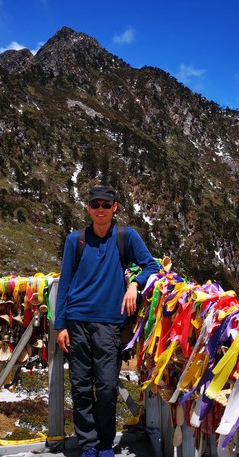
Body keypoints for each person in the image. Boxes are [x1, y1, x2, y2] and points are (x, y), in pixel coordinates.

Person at [54, 185, 160, 457]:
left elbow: (152, 266)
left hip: (109, 323)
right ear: (88, 208)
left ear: (115, 207)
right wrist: (60, 325)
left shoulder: (127, 236)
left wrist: (135, 285)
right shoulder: (74, 240)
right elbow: (65, 281)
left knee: (107, 387)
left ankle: (104, 443)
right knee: (80, 386)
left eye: (105, 204)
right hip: (77, 321)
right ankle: (88, 444)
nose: (100, 209)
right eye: (95, 205)